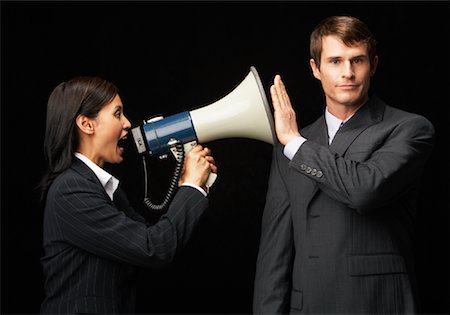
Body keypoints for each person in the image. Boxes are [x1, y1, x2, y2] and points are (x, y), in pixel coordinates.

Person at [253, 16, 434, 314]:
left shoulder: (410, 128)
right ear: (315, 68)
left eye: (357, 60)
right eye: (335, 61)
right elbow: (275, 253)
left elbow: (366, 189)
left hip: (376, 304)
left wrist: (296, 145)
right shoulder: (289, 145)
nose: (347, 73)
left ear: (373, 65)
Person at [40, 76, 217, 314]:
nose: (127, 124)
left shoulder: (106, 190)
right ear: (86, 124)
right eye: (117, 114)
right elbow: (155, 248)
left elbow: (153, 242)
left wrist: (192, 186)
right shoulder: (70, 190)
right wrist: (191, 187)